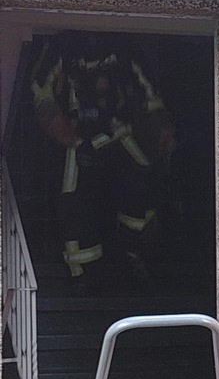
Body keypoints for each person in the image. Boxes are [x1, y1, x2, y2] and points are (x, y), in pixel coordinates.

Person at [31, 31, 176, 288]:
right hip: (77, 138)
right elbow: (41, 91)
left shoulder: (123, 43)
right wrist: (63, 131)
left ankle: (131, 252)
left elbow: (148, 90)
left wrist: (162, 124)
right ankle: (82, 273)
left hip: (119, 131)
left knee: (144, 186)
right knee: (74, 200)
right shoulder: (61, 44)